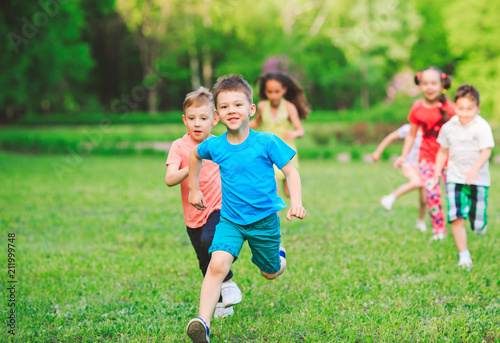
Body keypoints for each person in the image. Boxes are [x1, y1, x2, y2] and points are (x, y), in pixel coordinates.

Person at [186, 74, 306, 343]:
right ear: (217, 114)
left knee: (270, 272)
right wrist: (194, 187)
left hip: (264, 221)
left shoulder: (266, 141)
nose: (232, 111)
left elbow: (291, 172)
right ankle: (202, 324)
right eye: (225, 107)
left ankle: (279, 255)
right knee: (216, 264)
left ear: (251, 110)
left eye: (238, 105)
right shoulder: (215, 146)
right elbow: (195, 155)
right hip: (230, 221)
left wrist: (296, 202)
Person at [165, 87, 242, 319]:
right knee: (204, 260)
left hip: (219, 209)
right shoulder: (179, 146)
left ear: (215, 119)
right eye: (191, 119)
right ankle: (219, 301)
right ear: (184, 120)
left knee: (212, 240)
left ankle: (228, 283)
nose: (197, 124)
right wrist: (193, 164)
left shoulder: (220, 144)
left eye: (203, 118)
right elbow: (169, 179)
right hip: (192, 216)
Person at [434, 84, 494, 269]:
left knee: (477, 223)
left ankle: (479, 224)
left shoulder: (481, 126)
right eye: (461, 108)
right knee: (457, 217)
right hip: (454, 178)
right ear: (455, 107)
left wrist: (474, 169)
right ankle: (464, 255)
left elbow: (486, 151)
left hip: (478, 179)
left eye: (470, 109)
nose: (465, 113)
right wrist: (437, 171)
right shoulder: (449, 127)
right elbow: (442, 151)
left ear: (478, 108)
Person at [394, 66, 455, 241]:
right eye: (425, 83)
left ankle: (458, 223)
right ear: (420, 85)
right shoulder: (417, 108)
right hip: (426, 158)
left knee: (452, 194)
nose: (429, 87)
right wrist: (403, 156)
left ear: (442, 84)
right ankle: (439, 230)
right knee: (432, 193)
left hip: (449, 159)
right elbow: (412, 134)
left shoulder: (450, 108)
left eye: (433, 83)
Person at [249, 71, 310, 197]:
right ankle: (272, 214)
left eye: (277, 92)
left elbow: (300, 130)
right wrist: (242, 125)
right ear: (265, 92)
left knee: (289, 193)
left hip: (285, 151)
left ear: (284, 90)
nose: (273, 95)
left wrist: (294, 133)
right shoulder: (261, 106)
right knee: (272, 189)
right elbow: (257, 122)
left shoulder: (289, 107)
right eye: (269, 92)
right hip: (266, 151)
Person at [372, 124, 427, 232]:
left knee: (424, 199)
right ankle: (390, 197)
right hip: (409, 164)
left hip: (425, 166)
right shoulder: (408, 129)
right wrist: (378, 152)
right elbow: (391, 137)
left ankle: (420, 222)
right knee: (416, 182)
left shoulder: (430, 130)